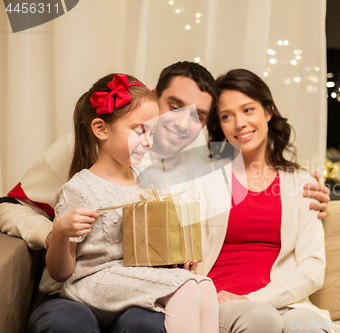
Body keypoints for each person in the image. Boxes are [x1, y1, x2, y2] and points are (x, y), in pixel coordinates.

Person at [0, 61, 331, 332]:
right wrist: (59, 234)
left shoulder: (197, 163)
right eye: (174, 106)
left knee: (149, 322)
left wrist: (309, 190)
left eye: (199, 116)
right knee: (67, 322)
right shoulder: (88, 141)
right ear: (153, 97)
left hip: (144, 293)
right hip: (74, 284)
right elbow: (11, 208)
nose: (182, 123)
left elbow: (253, 187)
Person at [45, 73, 218, 333]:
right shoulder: (79, 189)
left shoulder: (146, 182)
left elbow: (149, 248)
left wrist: (177, 256)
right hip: (92, 283)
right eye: (139, 131)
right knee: (183, 288)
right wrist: (60, 232)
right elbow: (61, 273)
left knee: (203, 285)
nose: (148, 141)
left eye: (152, 131)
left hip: (132, 277)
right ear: (101, 129)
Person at [202, 68, 332, 333]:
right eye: (227, 116)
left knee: (308, 327)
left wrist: (255, 298)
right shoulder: (205, 181)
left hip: (281, 301)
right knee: (261, 319)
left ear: (268, 111)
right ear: (220, 126)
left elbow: (313, 268)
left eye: (248, 110)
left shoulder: (302, 183)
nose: (239, 123)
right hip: (219, 301)